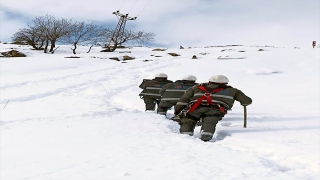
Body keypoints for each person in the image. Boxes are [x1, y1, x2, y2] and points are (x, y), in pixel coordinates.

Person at [174, 75, 252, 142]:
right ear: (225, 83)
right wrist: (244, 102)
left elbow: (183, 101)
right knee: (210, 122)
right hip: (215, 110)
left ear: (210, 81)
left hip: (195, 108)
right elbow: (247, 101)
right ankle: (205, 138)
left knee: (188, 120)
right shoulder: (233, 91)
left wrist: (177, 111)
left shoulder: (195, 88)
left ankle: (185, 137)